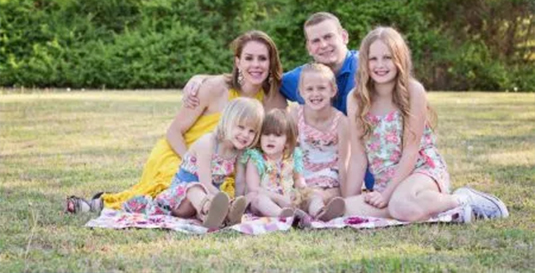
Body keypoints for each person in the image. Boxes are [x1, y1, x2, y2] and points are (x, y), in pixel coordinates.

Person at [65, 30, 287, 214]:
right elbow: (173, 132)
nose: (255, 65)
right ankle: (101, 204)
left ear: (271, 62)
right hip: (181, 155)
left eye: (262, 58)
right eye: (249, 58)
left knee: (228, 194)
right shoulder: (214, 88)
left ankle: (212, 213)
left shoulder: (273, 100)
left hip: (225, 165)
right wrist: (196, 163)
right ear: (238, 62)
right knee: (174, 189)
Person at [183, 12, 375, 190]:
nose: (323, 45)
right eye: (316, 40)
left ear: (344, 36)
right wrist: (202, 78)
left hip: (371, 149)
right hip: (321, 161)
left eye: (328, 37)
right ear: (309, 47)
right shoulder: (301, 78)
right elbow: (257, 74)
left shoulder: (365, 67)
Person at [344, 27, 509, 222]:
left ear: (399, 58)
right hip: (386, 181)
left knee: (401, 206)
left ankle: (461, 199)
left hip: (421, 170)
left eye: (387, 57)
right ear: (365, 61)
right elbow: (357, 157)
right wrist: (347, 202)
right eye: (373, 59)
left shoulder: (413, 91)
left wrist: (387, 194)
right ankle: (423, 207)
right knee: (350, 209)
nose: (380, 65)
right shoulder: (356, 99)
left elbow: (411, 152)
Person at [123, 98, 264, 229]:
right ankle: (209, 210)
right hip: (180, 199)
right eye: (241, 127)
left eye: (252, 131)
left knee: (217, 197)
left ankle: (218, 216)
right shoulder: (208, 143)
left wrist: (238, 201)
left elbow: (239, 182)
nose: (246, 135)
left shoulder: (239, 152)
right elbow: (205, 183)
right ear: (227, 122)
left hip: (207, 198)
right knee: (195, 189)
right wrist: (225, 201)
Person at [289, 63, 348, 221]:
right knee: (299, 193)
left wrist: (349, 195)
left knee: (331, 193)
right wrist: (298, 178)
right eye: (309, 89)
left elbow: (344, 162)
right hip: (301, 173)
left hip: (330, 175)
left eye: (321, 88)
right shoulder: (295, 115)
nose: (315, 93)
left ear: (333, 90)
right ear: (301, 92)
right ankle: (317, 208)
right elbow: (291, 152)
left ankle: (318, 207)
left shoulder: (341, 122)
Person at [241, 109, 308, 218]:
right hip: (265, 198)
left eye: (277, 135)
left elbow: (297, 178)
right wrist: (279, 198)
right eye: (266, 134)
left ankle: (320, 211)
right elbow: (254, 188)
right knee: (259, 200)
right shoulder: (256, 159)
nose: (270, 139)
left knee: (312, 195)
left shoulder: (292, 157)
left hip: (287, 198)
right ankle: (282, 215)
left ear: (287, 141)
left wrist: (302, 188)